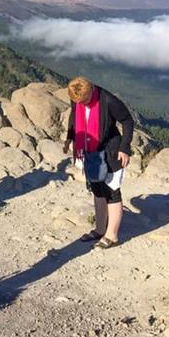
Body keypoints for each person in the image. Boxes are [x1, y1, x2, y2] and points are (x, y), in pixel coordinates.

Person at [63, 76, 133, 249]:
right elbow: (74, 117)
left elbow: (127, 121)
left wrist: (124, 147)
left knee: (112, 190)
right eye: (79, 101)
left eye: (85, 101)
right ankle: (100, 229)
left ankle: (112, 235)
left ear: (91, 91)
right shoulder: (77, 99)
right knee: (97, 189)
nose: (82, 104)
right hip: (90, 150)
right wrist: (69, 138)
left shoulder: (108, 100)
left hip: (111, 150)